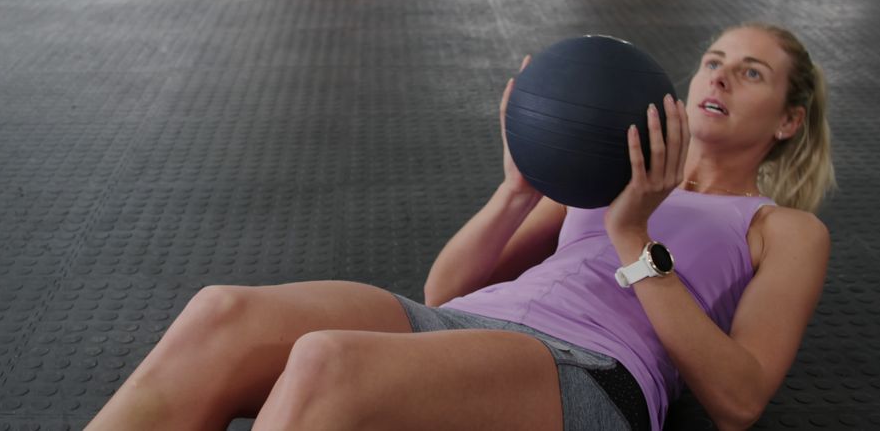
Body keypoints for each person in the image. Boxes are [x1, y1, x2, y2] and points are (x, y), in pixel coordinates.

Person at [85, 21, 836, 431]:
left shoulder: (781, 229)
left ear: (788, 122)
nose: (720, 77)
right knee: (223, 314)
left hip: (588, 374)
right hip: (468, 328)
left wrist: (635, 238)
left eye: (752, 73)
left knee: (327, 364)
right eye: (714, 60)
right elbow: (446, 289)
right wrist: (515, 190)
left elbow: (738, 399)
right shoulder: (611, 171)